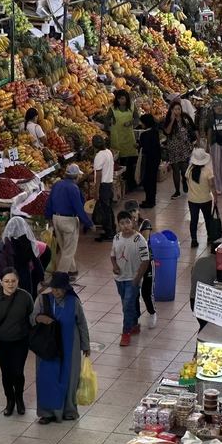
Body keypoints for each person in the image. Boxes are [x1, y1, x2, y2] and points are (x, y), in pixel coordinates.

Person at [34, 272, 91, 423]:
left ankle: (69, 410)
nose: (56, 291)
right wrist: (40, 318)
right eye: (54, 288)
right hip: (48, 347)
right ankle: (47, 413)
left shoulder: (74, 302)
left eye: (59, 289)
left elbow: (82, 324)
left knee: (70, 378)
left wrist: (86, 344)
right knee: (47, 378)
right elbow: (32, 318)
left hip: (70, 346)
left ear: (66, 289)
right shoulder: (43, 300)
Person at [0, 269, 33, 415]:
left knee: (18, 372)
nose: (10, 284)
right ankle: (9, 400)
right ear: (0, 282)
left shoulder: (25, 297)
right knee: (6, 373)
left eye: (13, 281)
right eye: (7, 281)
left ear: (18, 281)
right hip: (2, 343)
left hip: (20, 341)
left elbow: (31, 318)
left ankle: (19, 398)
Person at [45, 163, 93, 278]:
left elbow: (49, 202)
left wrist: (49, 217)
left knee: (64, 247)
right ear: (76, 176)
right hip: (69, 221)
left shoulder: (57, 184)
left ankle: (72, 269)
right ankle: (61, 275)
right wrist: (89, 223)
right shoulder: (74, 188)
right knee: (68, 250)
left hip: (56, 219)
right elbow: (79, 208)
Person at [111, 210, 151, 347]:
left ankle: (126, 333)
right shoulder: (116, 238)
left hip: (133, 278)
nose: (125, 226)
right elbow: (112, 255)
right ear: (118, 225)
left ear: (133, 222)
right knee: (126, 303)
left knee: (127, 305)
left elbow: (146, 260)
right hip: (119, 278)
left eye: (127, 222)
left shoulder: (139, 240)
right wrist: (115, 265)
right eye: (122, 223)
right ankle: (134, 323)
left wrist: (137, 278)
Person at [123, 200, 157, 328]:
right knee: (133, 292)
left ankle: (152, 313)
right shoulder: (125, 226)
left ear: (138, 211)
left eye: (134, 211)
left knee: (146, 292)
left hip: (147, 262)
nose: (132, 214)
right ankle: (135, 318)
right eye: (129, 212)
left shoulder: (145, 223)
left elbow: (143, 241)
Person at [185, 148, 221, 248]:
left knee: (194, 220)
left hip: (192, 200)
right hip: (205, 200)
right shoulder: (207, 171)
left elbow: (186, 180)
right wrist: (216, 197)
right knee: (207, 219)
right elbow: (212, 186)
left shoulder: (189, 169)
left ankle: (194, 240)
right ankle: (210, 237)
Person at [107, 91, 140, 195]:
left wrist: (131, 123)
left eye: (123, 98)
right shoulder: (112, 108)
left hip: (129, 137)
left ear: (127, 99)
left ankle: (130, 184)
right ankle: (120, 187)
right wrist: (109, 125)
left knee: (130, 162)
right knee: (119, 163)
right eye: (119, 99)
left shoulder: (132, 106)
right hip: (117, 138)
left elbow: (137, 118)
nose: (121, 101)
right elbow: (107, 119)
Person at [163, 102, 196, 199]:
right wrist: (172, 120)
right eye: (175, 109)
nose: (177, 111)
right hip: (173, 149)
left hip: (185, 147)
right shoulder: (168, 119)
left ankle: (185, 181)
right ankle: (177, 191)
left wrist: (195, 141)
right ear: (171, 110)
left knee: (184, 169)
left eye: (179, 109)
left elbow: (193, 129)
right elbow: (167, 132)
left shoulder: (185, 118)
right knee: (175, 170)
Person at [188, 243, 220, 332]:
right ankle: (200, 345)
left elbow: (192, 273)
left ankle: (200, 343)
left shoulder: (199, 260)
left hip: (193, 300)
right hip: (204, 302)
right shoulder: (217, 265)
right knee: (207, 329)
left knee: (204, 326)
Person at [92, 136, 117, 242]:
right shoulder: (108, 152)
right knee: (109, 208)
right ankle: (112, 229)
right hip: (109, 183)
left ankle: (109, 233)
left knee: (105, 210)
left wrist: (96, 191)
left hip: (103, 185)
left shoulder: (99, 156)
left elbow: (98, 174)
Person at [137, 113, 162, 209]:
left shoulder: (145, 134)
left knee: (148, 182)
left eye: (142, 123)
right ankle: (151, 200)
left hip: (148, 161)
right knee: (152, 181)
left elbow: (145, 148)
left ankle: (149, 201)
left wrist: (138, 146)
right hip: (155, 159)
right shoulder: (155, 131)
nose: (141, 125)